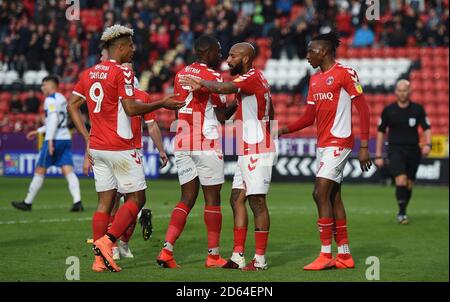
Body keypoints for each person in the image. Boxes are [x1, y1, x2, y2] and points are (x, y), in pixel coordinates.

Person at [67, 24, 183, 272]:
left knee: (104, 203)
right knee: (138, 198)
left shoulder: (88, 73)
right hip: (120, 147)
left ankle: (98, 260)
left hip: (97, 147)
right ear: (119, 47)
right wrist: (163, 102)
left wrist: (87, 137)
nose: (133, 49)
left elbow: (72, 106)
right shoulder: (123, 73)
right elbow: (131, 109)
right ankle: (108, 242)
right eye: (130, 45)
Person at [277, 32, 372, 270]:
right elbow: (309, 117)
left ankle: (325, 253)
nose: (308, 55)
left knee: (319, 193)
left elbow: (364, 110)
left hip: (339, 142)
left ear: (325, 51)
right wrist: (284, 129)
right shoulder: (314, 80)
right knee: (333, 196)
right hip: (323, 144)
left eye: (312, 51)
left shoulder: (345, 73)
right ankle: (345, 255)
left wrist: (364, 146)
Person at [180, 42, 276, 271]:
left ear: (244, 59)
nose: (228, 60)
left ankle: (260, 260)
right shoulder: (254, 80)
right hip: (248, 147)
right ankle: (238, 256)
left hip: (257, 147)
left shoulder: (250, 77)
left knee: (257, 202)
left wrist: (201, 82)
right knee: (236, 199)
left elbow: (224, 88)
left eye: (233, 56)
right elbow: (261, 108)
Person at [156, 35, 229, 269]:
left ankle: (167, 250)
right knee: (212, 198)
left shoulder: (180, 74)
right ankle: (214, 256)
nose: (220, 55)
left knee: (186, 197)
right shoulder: (214, 76)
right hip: (205, 140)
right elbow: (221, 115)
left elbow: (178, 107)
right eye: (218, 51)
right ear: (206, 52)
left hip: (182, 140)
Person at [11, 76, 83, 212]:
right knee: (68, 170)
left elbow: (54, 119)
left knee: (40, 169)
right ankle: (77, 202)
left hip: (54, 139)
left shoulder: (50, 100)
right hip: (65, 138)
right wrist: (38, 131)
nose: (42, 88)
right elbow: (56, 120)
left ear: (51, 86)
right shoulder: (61, 98)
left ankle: (27, 203)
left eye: (44, 85)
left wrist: (49, 141)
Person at [375, 79, 432, 224]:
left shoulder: (418, 109)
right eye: (399, 90)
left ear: (409, 91)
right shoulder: (388, 110)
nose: (402, 93)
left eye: (405, 90)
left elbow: (427, 128)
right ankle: (401, 213)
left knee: (409, 184)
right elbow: (380, 132)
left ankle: (403, 209)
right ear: (396, 92)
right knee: (401, 179)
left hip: (413, 151)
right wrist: (378, 154)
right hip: (395, 149)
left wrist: (428, 144)